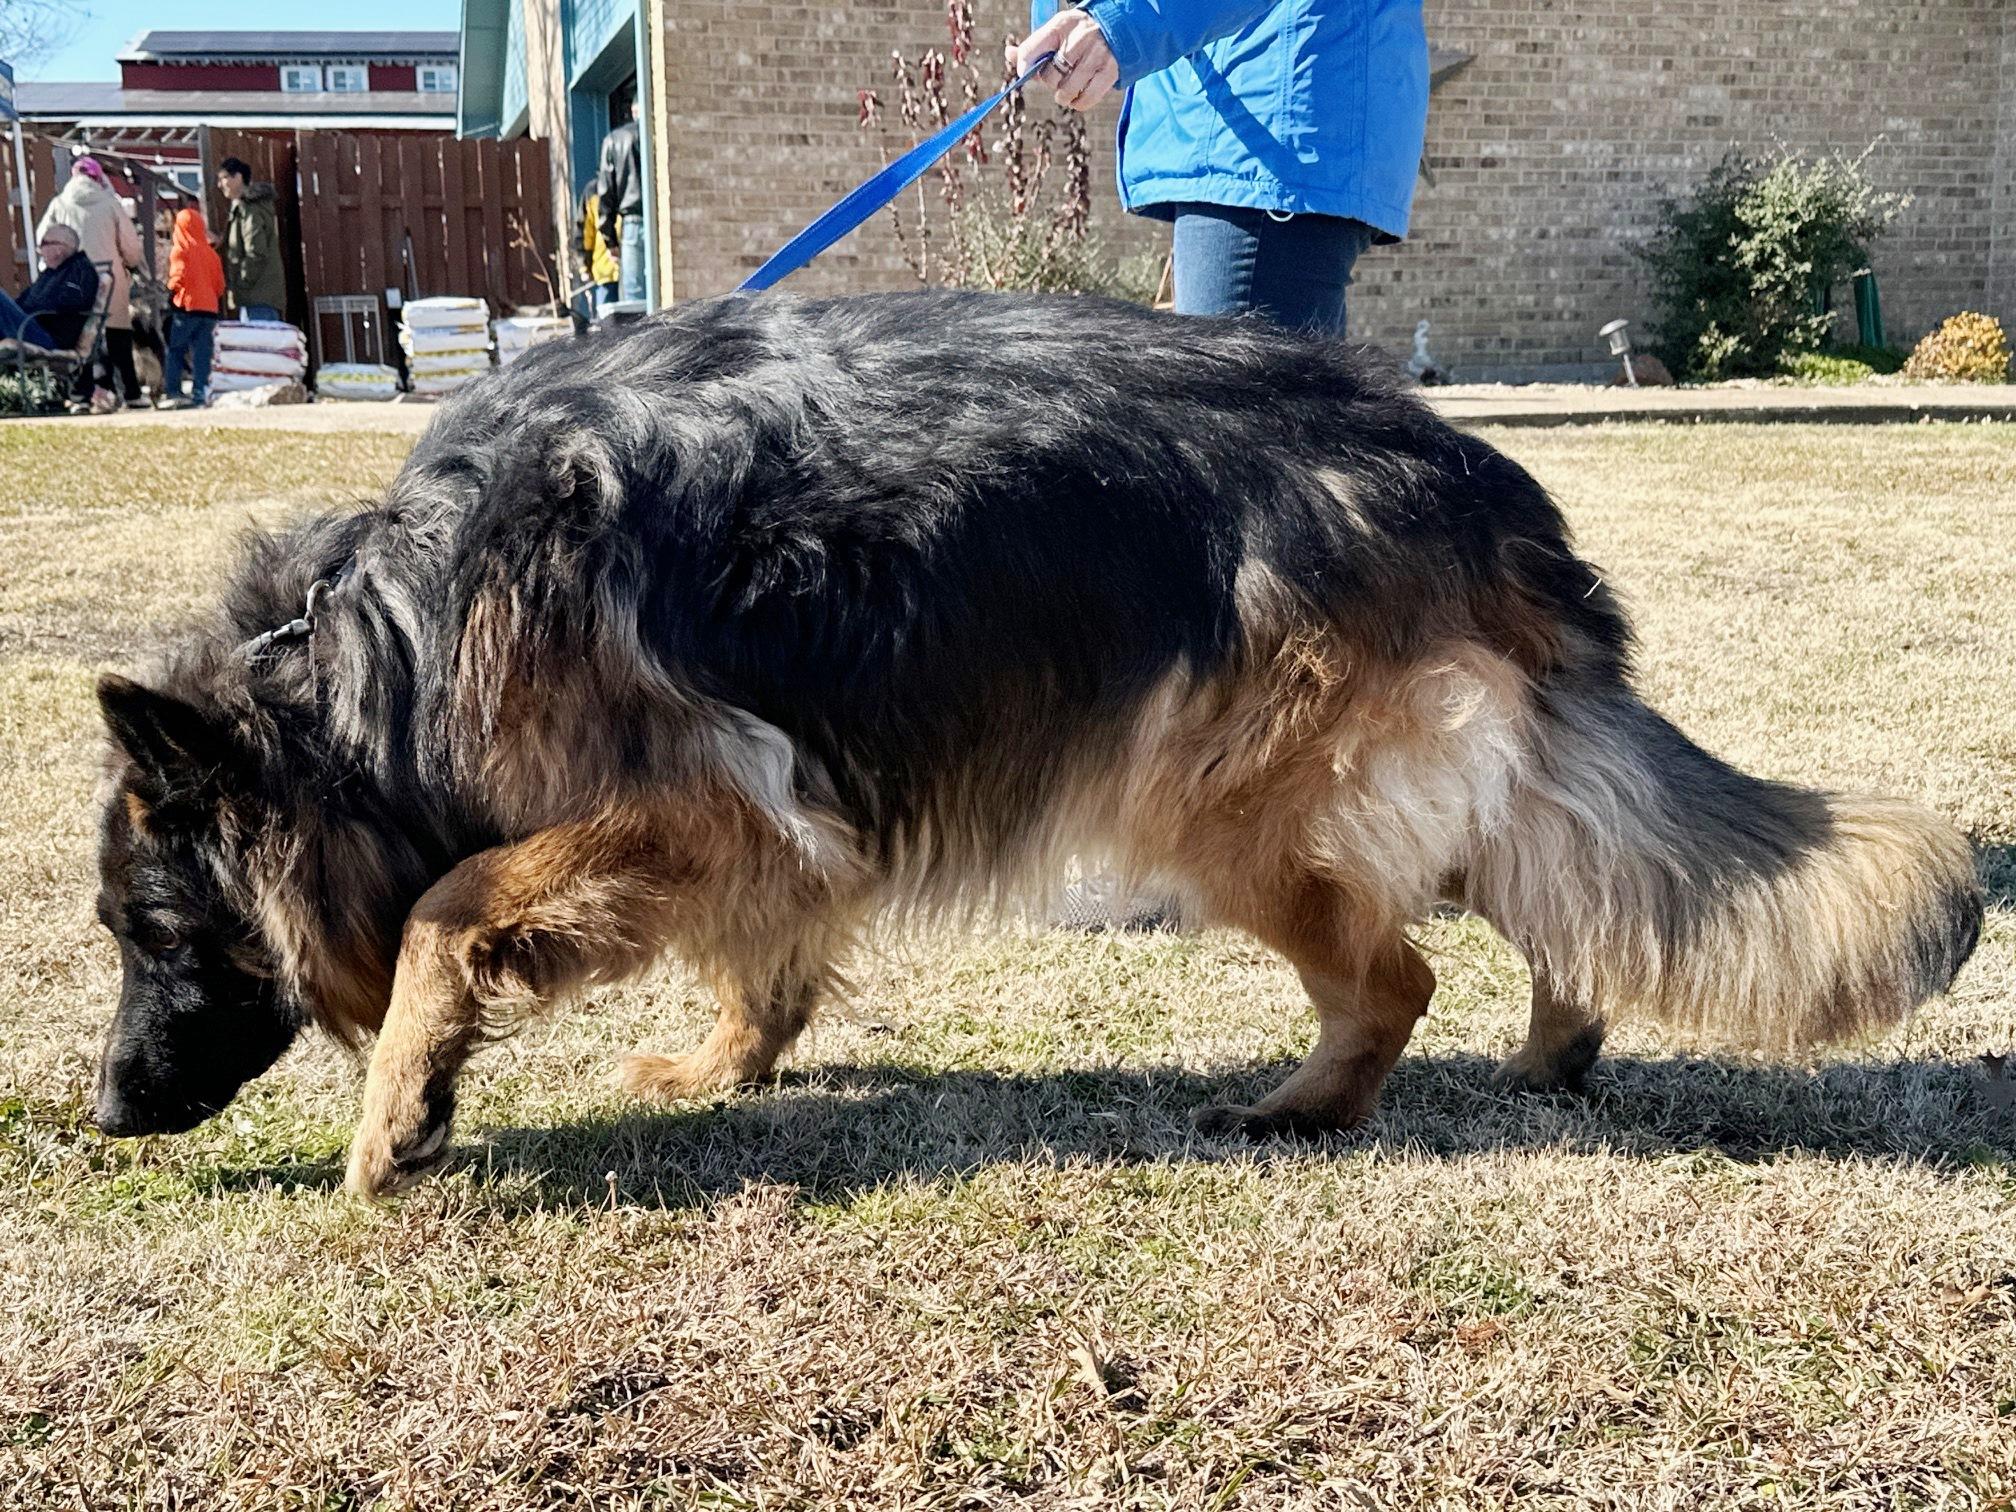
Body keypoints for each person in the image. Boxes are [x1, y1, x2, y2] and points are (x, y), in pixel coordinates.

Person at [1015, 0, 1428, 334]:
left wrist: (1124, 19)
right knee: (1281, 424)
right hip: (1253, 127)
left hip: (1273, 125)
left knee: (1243, 426)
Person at [37, 156, 143, 407]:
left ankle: (80, 397)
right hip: (109, 279)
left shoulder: (59, 203)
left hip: (73, 282)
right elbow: (131, 246)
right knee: (118, 338)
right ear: (97, 178)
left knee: (79, 338)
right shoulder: (110, 203)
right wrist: (130, 262)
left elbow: (43, 238)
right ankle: (132, 394)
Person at [159, 205, 225, 409]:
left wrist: (169, 290)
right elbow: (220, 285)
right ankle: (200, 391)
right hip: (209, 310)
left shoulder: (181, 250)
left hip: (186, 308)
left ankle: (173, 390)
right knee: (203, 353)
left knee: (176, 351)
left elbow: (178, 277)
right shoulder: (212, 254)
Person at [0, 224, 100, 352]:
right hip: (30, 325)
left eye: (44, 243)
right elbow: (21, 302)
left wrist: (31, 307)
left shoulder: (80, 269)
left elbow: (71, 302)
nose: (39, 249)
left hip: (49, 337)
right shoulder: (50, 273)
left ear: (59, 248)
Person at [217, 156, 286, 322]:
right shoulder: (246, 207)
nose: (220, 185)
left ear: (238, 177)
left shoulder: (249, 208)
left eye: (224, 178)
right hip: (258, 296)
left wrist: (242, 283)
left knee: (261, 345)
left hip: (257, 296)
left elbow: (256, 251)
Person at [596, 102, 646, 304]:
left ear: (633, 111)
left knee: (636, 300)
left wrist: (610, 241)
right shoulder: (660, 133)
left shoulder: (615, 139)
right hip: (664, 219)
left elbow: (605, 193)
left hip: (633, 222)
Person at [579, 179, 620, 314]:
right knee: (608, 325)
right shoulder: (592, 191)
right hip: (605, 271)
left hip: (631, 267)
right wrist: (584, 266)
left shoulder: (630, 181)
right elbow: (584, 232)